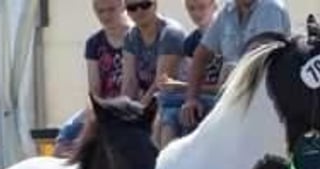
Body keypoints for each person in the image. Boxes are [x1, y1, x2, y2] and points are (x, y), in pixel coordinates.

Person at [181, 0, 290, 129]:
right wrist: (192, 98)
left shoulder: (270, 8)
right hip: (230, 98)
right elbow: (201, 55)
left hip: (263, 101)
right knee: (178, 113)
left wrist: (229, 74)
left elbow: (259, 60)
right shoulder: (227, 12)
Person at [54, 0, 132, 158]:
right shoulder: (94, 43)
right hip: (103, 103)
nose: (106, 16)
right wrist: (94, 110)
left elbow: (131, 83)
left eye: (111, 10)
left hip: (130, 101)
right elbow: (94, 87)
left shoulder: (134, 37)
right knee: (67, 133)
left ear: (122, 6)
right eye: (100, 11)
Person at [155, 0, 221, 147]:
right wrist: (171, 85)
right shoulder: (191, 41)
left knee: (179, 109)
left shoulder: (225, 37)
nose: (197, 13)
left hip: (219, 98)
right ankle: (163, 162)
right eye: (191, 9)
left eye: (202, 7)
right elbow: (192, 81)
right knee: (165, 101)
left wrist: (178, 85)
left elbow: (221, 87)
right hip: (200, 95)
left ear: (214, 6)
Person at [121, 0, 186, 111]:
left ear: (155, 3)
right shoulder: (131, 37)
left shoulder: (171, 33)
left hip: (175, 100)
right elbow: (130, 82)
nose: (139, 11)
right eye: (132, 8)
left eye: (145, 5)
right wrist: (123, 110)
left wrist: (138, 111)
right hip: (148, 101)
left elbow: (160, 83)